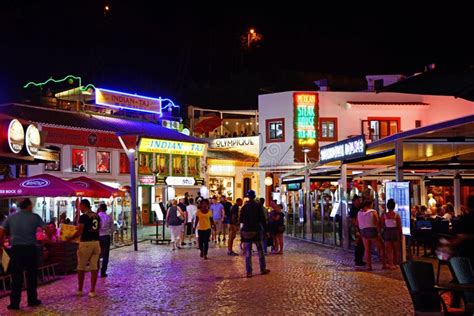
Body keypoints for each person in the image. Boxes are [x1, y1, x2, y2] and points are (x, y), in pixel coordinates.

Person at [0, 198, 45, 310]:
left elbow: (1, 232)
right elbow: (47, 230)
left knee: (16, 277)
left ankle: (14, 303)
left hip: (16, 250)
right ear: (29, 206)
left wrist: (1, 245)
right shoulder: (35, 217)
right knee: (31, 276)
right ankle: (32, 300)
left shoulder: (11, 217)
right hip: (30, 249)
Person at [67, 199, 101, 298]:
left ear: (83, 205)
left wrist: (70, 238)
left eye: (80, 206)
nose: (79, 208)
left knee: (81, 267)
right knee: (94, 267)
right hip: (96, 243)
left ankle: (80, 289)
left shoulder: (83, 217)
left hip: (86, 243)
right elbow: (99, 228)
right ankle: (92, 291)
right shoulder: (96, 215)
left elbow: (80, 231)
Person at [240, 190, 270, 278]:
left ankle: (249, 272)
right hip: (256, 231)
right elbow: (262, 219)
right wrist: (266, 230)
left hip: (246, 231)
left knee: (248, 252)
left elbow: (241, 219)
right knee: (260, 250)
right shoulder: (258, 206)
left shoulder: (244, 207)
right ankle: (262, 268)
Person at [357, 198, 386, 271]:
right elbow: (377, 223)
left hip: (363, 231)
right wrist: (379, 233)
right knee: (381, 247)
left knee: (367, 249)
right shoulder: (373, 212)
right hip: (372, 230)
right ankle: (384, 264)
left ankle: (369, 266)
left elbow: (358, 223)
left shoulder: (359, 212)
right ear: (369, 205)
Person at [381, 199, 402, 270]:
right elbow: (399, 226)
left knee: (389, 250)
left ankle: (390, 264)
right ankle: (395, 263)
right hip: (395, 232)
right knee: (396, 249)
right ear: (394, 206)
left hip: (387, 232)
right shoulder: (397, 215)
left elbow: (382, 225)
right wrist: (400, 234)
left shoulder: (384, 215)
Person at [349, 195, 365, 267]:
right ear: (354, 201)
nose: (360, 202)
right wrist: (356, 229)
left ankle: (359, 259)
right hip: (357, 228)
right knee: (358, 244)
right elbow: (352, 220)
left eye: (360, 200)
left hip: (361, 227)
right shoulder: (353, 209)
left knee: (361, 244)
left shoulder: (360, 208)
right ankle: (358, 260)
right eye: (358, 200)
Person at [98, 203, 113, 278]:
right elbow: (112, 228)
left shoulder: (97, 216)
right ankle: (103, 272)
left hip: (98, 236)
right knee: (105, 255)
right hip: (106, 236)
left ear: (100, 208)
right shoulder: (108, 217)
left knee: (96, 254)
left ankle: (96, 269)